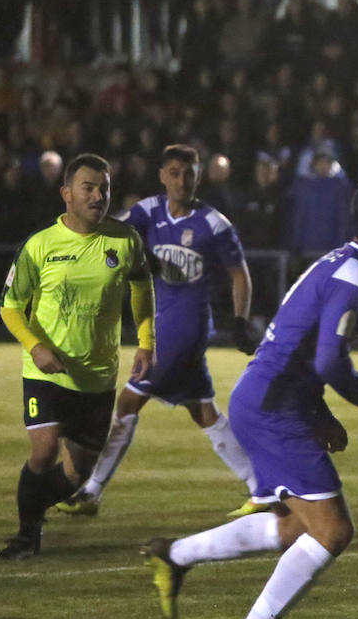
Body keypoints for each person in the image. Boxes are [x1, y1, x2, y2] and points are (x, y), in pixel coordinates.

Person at [140, 179, 358, 619]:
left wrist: (320, 412)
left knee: (294, 529)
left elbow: (300, 347)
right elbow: (329, 360)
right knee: (332, 532)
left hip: (268, 399)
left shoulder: (337, 261)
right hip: (273, 409)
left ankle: (175, 555)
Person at [53, 145, 261, 517]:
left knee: (129, 402)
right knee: (204, 412)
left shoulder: (214, 223)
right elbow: (109, 231)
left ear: (199, 176)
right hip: (164, 322)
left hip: (185, 328)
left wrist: (241, 320)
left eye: (190, 173)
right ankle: (263, 489)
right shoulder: (149, 211)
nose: (183, 181)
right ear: (163, 175)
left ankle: (92, 491)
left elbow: (239, 273)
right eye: (175, 173)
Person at [0, 154, 154, 560]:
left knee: (77, 473)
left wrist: (147, 341)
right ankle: (26, 535)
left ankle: (34, 509)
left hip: (97, 377)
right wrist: (36, 347)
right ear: (66, 193)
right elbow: (10, 306)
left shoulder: (125, 240)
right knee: (44, 452)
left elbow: (141, 286)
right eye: (89, 187)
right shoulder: (40, 245)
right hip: (46, 373)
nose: (98, 195)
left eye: (104, 188)